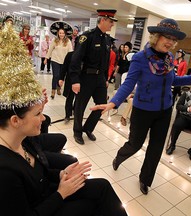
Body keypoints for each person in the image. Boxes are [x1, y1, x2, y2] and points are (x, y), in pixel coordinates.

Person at [0, 22, 127, 216]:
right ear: (15, 121)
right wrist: (61, 193)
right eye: (37, 114)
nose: (44, 119)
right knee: (93, 203)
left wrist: (62, 174)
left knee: (101, 186)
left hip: (49, 191)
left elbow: (41, 172)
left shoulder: (23, 140)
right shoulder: (5, 171)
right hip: (45, 205)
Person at [91, 18, 191, 195]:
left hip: (164, 111)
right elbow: (128, 84)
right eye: (168, 38)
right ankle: (120, 157)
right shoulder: (140, 58)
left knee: (156, 149)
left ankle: (145, 179)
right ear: (156, 37)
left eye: (174, 39)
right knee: (135, 144)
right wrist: (113, 102)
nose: (171, 43)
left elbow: (173, 79)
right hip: (142, 111)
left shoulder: (169, 58)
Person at [69, 9, 118, 145]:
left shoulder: (107, 40)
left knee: (102, 106)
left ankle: (88, 128)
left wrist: (106, 79)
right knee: (80, 106)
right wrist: (75, 80)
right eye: (110, 21)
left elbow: (106, 62)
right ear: (102, 20)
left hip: (100, 79)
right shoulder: (87, 37)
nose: (112, 25)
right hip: (86, 77)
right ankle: (77, 131)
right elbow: (76, 60)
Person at [45, 21, 73, 99]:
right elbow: (50, 50)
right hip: (55, 60)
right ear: (58, 33)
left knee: (61, 76)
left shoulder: (68, 41)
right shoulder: (54, 40)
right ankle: (53, 90)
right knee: (56, 75)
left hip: (64, 61)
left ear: (65, 34)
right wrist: (46, 58)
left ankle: (58, 87)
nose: (61, 34)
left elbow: (70, 51)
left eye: (63, 33)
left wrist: (72, 60)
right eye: (60, 33)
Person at [59, 51, 75, 123]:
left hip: (82, 80)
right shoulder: (70, 55)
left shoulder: (86, 55)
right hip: (70, 79)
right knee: (69, 97)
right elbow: (64, 67)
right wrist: (61, 78)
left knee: (79, 99)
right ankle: (67, 115)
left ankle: (75, 110)